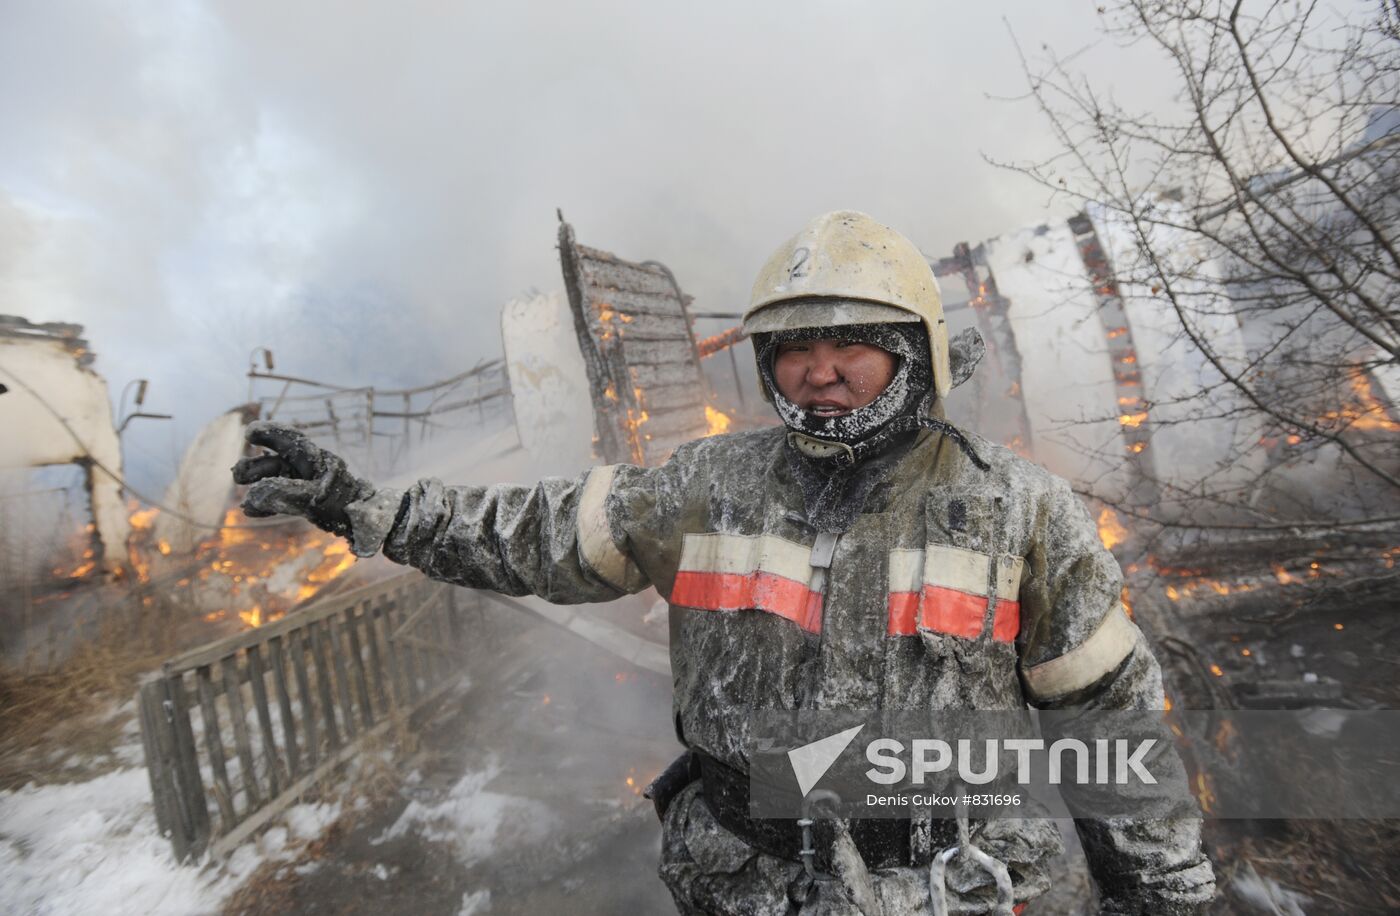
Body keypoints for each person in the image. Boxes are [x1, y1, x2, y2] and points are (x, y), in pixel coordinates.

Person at [233, 211, 1215, 914]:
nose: (817, 371)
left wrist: (1163, 895)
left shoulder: (1017, 505)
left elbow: (1108, 723)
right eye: (793, 348)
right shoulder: (702, 484)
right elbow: (525, 529)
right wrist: (357, 503)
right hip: (748, 878)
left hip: (968, 878)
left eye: (851, 345)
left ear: (912, 352)